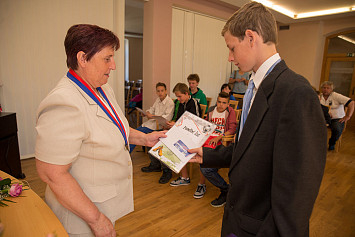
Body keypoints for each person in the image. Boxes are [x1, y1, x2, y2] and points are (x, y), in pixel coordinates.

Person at [189, 2, 327, 237]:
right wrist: (209, 155)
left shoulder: (296, 92)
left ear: (251, 38)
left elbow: (298, 189)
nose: (230, 57)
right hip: (239, 218)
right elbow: (250, 150)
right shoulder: (254, 86)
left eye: (232, 48)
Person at [35, 24, 165, 236]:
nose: (113, 65)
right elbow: (52, 174)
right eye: (107, 58)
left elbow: (116, 126)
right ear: (82, 59)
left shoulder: (103, 88)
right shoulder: (63, 102)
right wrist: (96, 220)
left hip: (103, 202)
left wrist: (146, 138)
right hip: (81, 213)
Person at [194, 92, 237, 201]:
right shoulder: (211, 110)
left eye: (224, 103)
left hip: (221, 140)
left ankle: (201, 184)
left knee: (204, 156)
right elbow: (206, 125)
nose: (221, 105)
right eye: (219, 102)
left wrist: (220, 137)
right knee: (197, 150)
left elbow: (232, 129)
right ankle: (201, 183)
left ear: (228, 104)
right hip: (208, 137)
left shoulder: (230, 112)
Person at [132, 82, 175, 184]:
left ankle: (166, 171)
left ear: (166, 91)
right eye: (158, 91)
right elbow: (151, 110)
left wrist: (152, 116)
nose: (160, 93)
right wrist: (147, 113)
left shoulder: (170, 103)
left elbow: (166, 119)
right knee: (140, 135)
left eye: (162, 91)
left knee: (136, 135)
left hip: (161, 126)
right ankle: (155, 165)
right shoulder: (158, 100)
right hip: (152, 124)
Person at [166, 83, 201, 186]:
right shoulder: (180, 103)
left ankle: (184, 177)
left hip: (193, 135)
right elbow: (179, 119)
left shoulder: (193, 103)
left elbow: (195, 122)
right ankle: (172, 171)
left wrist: (176, 124)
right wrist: (172, 124)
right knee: (167, 140)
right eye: (177, 96)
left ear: (186, 93)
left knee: (178, 145)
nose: (178, 99)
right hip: (183, 132)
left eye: (179, 96)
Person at [320, 81, 354, 150]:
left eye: (328, 88)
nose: (326, 89)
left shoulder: (336, 96)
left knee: (337, 129)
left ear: (331, 90)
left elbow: (352, 103)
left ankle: (332, 143)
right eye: (324, 88)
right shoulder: (319, 96)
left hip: (336, 119)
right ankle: (317, 144)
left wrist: (348, 116)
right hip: (323, 119)